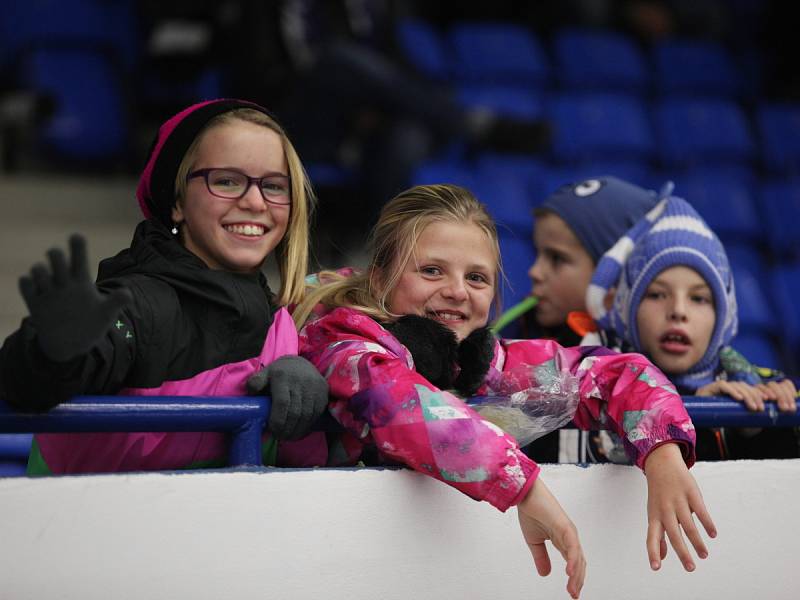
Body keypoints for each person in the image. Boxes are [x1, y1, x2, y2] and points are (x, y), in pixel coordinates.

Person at [292, 184, 717, 593]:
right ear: (381, 276)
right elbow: (399, 403)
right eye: (432, 270)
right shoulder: (342, 345)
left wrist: (663, 452)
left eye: (477, 278)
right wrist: (524, 487)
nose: (457, 291)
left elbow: (611, 373)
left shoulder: (479, 359)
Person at [0, 98, 329, 474]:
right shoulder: (137, 302)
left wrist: (312, 388)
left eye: (273, 186)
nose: (255, 201)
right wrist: (52, 350)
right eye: (226, 181)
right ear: (176, 202)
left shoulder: (283, 323)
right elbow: (28, 382)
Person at [586, 194, 798, 460]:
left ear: (723, 318)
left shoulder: (765, 386)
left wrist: (765, 424)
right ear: (628, 309)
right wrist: (698, 417)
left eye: (699, 298)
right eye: (657, 295)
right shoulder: (589, 385)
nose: (678, 311)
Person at [503, 176, 666, 462]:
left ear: (613, 273)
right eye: (538, 253)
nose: (534, 271)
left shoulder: (664, 349)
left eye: (556, 258)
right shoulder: (516, 340)